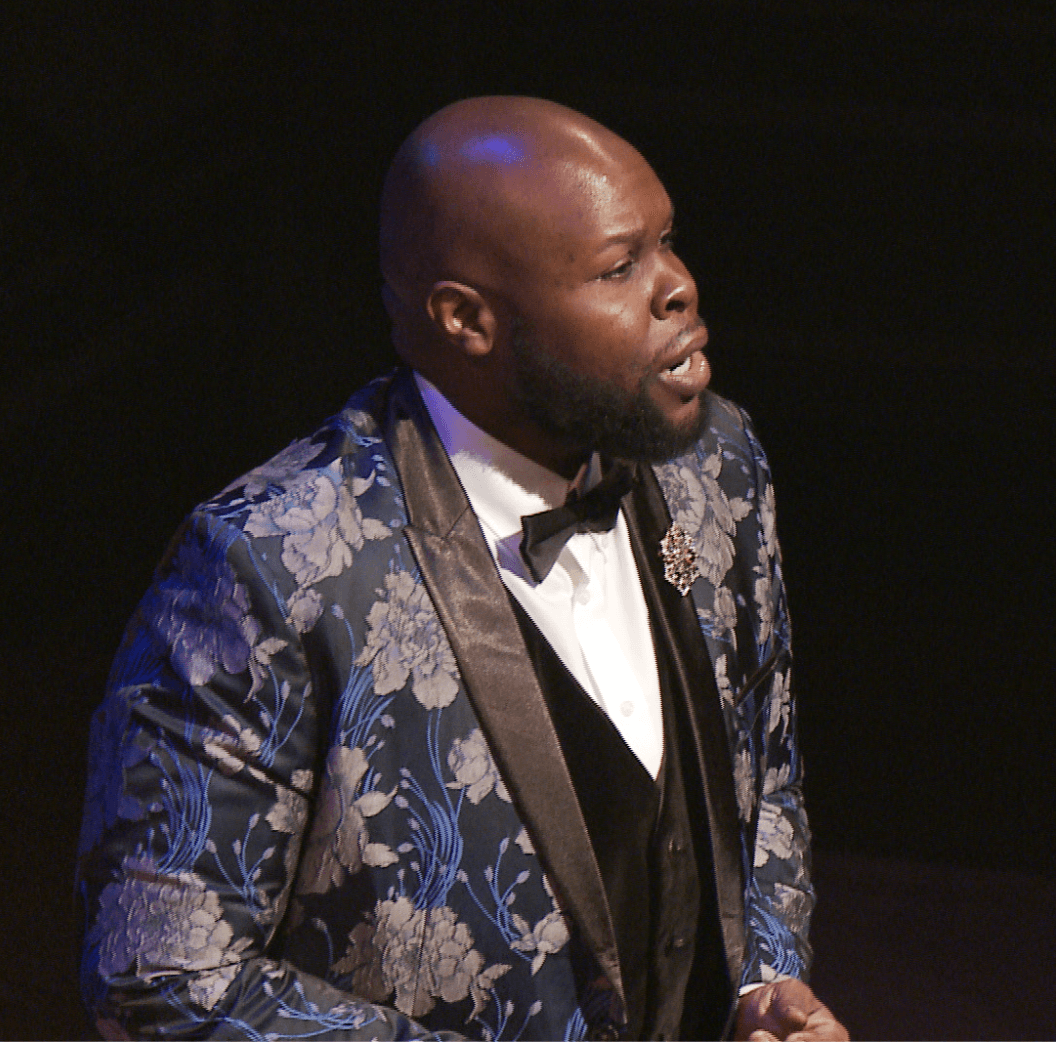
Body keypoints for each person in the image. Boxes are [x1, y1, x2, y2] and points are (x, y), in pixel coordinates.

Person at [77, 96, 848, 1041]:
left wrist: (760, 986)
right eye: (620, 267)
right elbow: (160, 974)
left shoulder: (714, 465)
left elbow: (761, 778)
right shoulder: (266, 568)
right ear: (466, 320)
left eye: (667, 242)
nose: (679, 286)